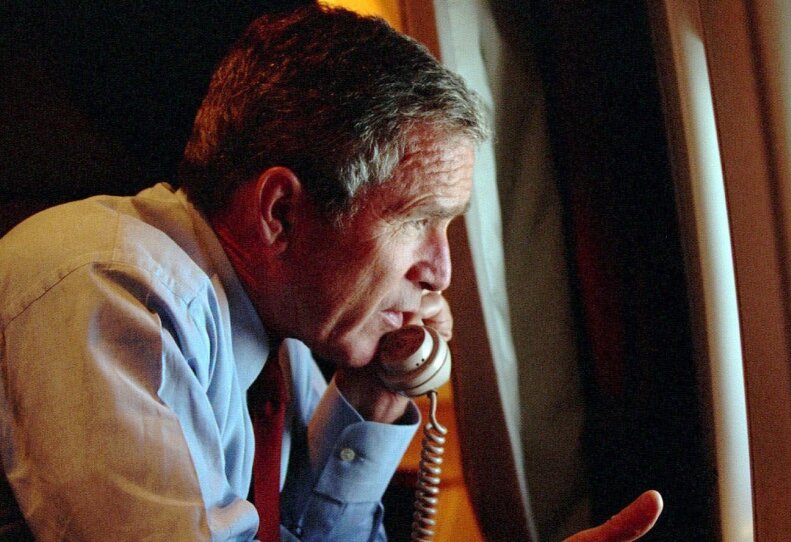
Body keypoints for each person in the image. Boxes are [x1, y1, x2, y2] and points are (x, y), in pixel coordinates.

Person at [0, 5, 661, 541]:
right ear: (281, 213)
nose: (441, 271)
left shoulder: (285, 348)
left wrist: (373, 393)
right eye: (417, 222)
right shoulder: (110, 284)